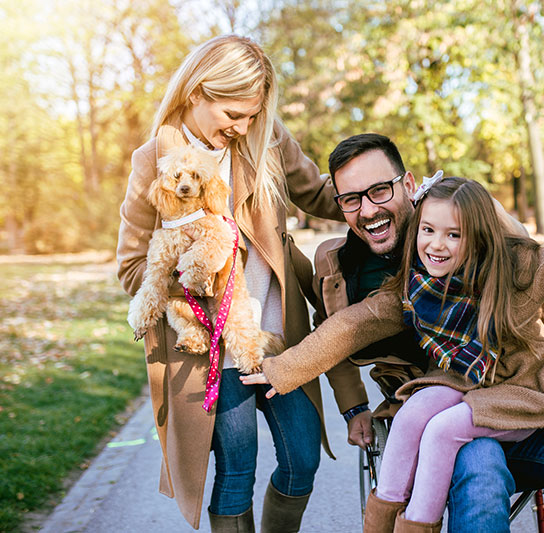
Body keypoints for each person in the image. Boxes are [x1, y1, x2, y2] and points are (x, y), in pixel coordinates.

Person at [246, 175, 544, 532]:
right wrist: (281, 369)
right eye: (427, 231)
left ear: (480, 237)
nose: (435, 245)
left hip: (534, 404)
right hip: (465, 413)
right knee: (479, 476)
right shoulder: (414, 287)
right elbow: (347, 328)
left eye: (453, 235)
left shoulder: (526, 268)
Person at [116, 35, 368, 532]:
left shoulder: (265, 139)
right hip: (212, 349)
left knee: (302, 463)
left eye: (253, 115)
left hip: (279, 339)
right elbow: (130, 269)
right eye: (234, 113)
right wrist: (196, 263)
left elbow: (318, 193)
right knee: (236, 473)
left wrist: (380, 198)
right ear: (197, 93)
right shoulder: (155, 161)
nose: (244, 126)